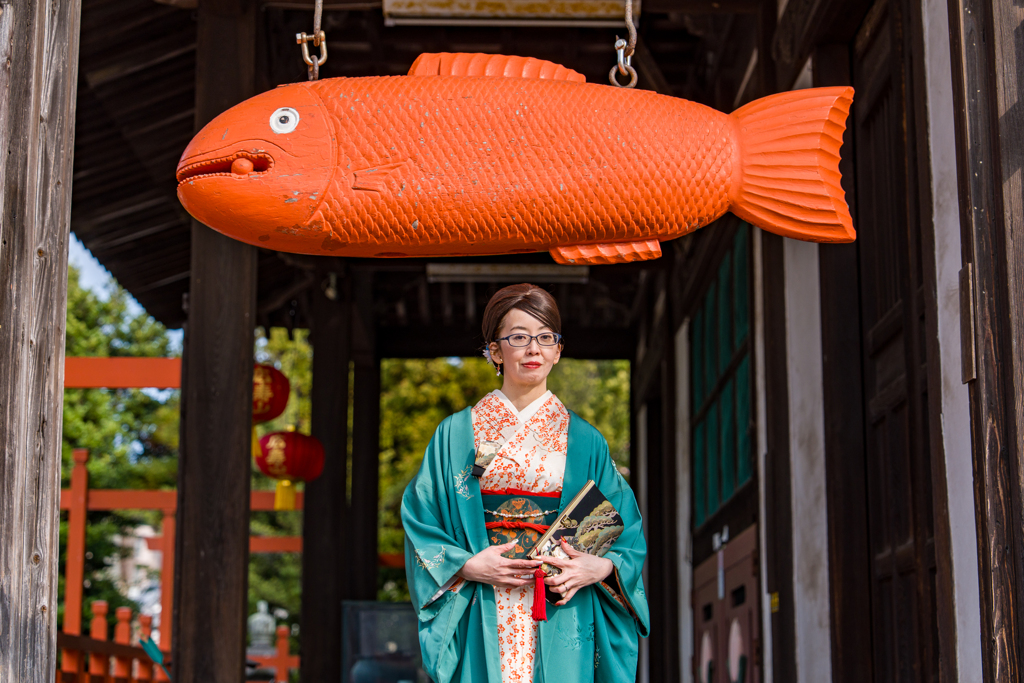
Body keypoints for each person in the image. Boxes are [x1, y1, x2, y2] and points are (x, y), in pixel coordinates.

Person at [402, 283, 649, 683]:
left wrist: (599, 567)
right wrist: (468, 565)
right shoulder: (456, 435)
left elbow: (626, 530)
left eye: (545, 337)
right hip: (484, 595)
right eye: (519, 337)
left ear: (558, 350)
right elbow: (421, 518)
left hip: (561, 601)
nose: (534, 349)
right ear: (495, 351)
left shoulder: (586, 440)